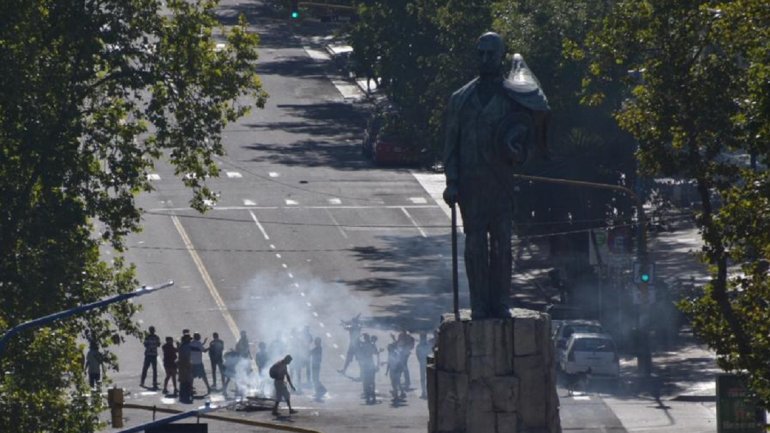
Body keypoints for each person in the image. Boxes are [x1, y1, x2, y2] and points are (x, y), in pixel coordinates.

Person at [442, 32, 550, 319]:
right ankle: (479, 304)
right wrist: (451, 182)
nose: (484, 59)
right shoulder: (460, 99)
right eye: (480, 53)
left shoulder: (515, 97)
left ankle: (500, 302)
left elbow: (533, 134)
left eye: (490, 54)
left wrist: (519, 148)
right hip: (471, 188)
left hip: (501, 185)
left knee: (502, 245)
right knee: (475, 247)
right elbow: (450, 146)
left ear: (501, 57)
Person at [357, 334, 378, 404]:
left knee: (366, 382)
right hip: (371, 365)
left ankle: (368, 396)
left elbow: (359, 354)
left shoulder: (362, 345)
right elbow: (376, 353)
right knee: (371, 381)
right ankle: (373, 396)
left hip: (365, 366)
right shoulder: (372, 345)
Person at [415, 332, 432, 399]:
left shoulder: (428, 345)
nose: (422, 338)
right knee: (423, 378)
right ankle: (424, 392)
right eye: (421, 337)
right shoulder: (419, 346)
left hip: (427, 363)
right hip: (422, 362)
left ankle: (428, 392)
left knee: (428, 378)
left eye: (423, 337)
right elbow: (417, 354)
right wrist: (420, 361)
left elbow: (431, 353)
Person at [178, 334, 193, 403]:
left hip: (182, 364)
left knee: (183, 380)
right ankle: (186, 394)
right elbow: (186, 356)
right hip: (185, 365)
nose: (190, 340)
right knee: (187, 380)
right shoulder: (186, 346)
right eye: (189, 339)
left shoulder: (182, 345)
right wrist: (188, 365)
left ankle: (182, 395)